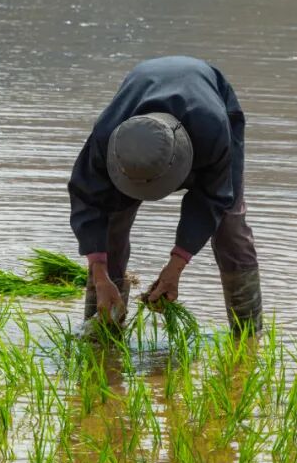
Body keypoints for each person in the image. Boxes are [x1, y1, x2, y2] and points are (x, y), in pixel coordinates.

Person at [68, 56, 262, 334]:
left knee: (229, 226)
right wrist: (100, 274)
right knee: (111, 224)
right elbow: (88, 201)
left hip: (208, 106)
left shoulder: (213, 130)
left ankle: (249, 334)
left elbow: (212, 199)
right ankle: (101, 331)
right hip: (137, 115)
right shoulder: (107, 137)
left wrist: (176, 267)